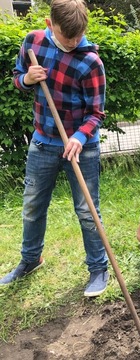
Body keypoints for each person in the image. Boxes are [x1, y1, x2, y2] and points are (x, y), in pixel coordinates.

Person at [0, 0, 109, 297]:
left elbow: (96, 113)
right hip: (42, 141)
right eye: (67, 37)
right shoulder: (33, 42)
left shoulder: (90, 62)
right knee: (33, 207)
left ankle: (98, 268)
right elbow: (17, 78)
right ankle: (30, 260)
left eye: (79, 36)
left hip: (81, 147)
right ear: (50, 25)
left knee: (88, 210)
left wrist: (80, 137)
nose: (74, 42)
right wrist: (26, 79)